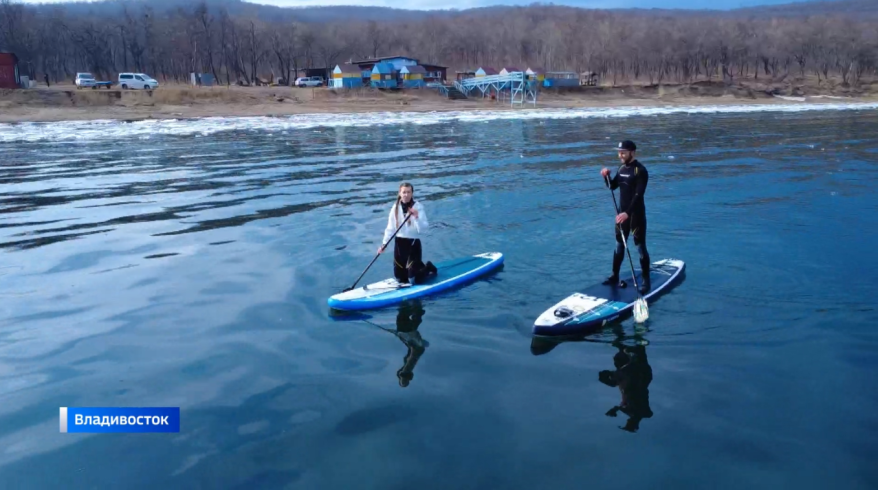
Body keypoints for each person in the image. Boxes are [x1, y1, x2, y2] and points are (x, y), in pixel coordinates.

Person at [600, 140, 651, 294]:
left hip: (635, 216)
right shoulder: (622, 168)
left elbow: (638, 195)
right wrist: (606, 177)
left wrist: (627, 213)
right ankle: (615, 276)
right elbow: (612, 186)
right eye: (619, 152)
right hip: (622, 216)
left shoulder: (640, 171)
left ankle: (646, 280)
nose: (620, 155)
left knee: (640, 247)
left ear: (632, 152)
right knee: (619, 246)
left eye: (623, 152)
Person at [378, 182, 437, 285]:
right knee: (400, 279)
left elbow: (424, 229)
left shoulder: (418, 207)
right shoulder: (395, 208)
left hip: (413, 244)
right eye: (404, 192)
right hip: (399, 244)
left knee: (413, 279)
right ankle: (418, 267)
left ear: (412, 193)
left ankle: (428, 267)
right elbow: (390, 229)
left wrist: (416, 217)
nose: (406, 194)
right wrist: (384, 245)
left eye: (408, 192)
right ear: (400, 193)